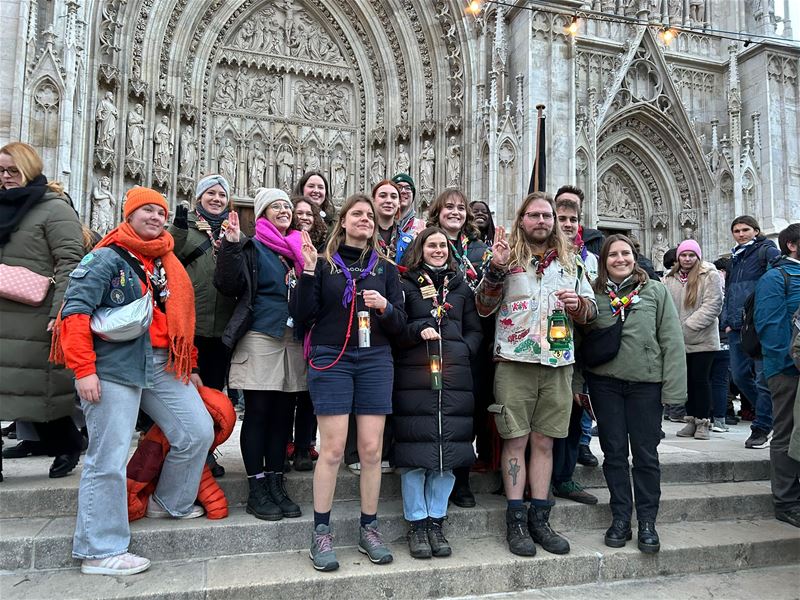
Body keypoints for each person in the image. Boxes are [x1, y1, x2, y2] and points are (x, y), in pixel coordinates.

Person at [53, 187, 214, 576]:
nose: (156, 217)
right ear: (129, 214)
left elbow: (179, 323)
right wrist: (84, 370)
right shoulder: (106, 257)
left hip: (162, 362)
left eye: (160, 212)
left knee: (197, 431)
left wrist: (188, 363)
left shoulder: (166, 260)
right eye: (146, 211)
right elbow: (74, 313)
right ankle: (99, 549)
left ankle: (169, 502)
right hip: (114, 365)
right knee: (107, 457)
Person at [476, 191, 596, 557]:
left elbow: (592, 311)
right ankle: (515, 519)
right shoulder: (505, 258)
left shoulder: (572, 262)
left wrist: (579, 307)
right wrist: (495, 270)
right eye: (534, 216)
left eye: (547, 216)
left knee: (545, 442)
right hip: (514, 362)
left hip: (557, 363)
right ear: (521, 220)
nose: (542, 222)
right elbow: (483, 306)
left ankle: (540, 518)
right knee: (515, 441)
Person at [291, 194, 406, 572]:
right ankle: (321, 532)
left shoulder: (385, 268)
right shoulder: (323, 264)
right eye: (357, 214)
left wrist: (385, 308)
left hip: (374, 359)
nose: (365, 220)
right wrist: (307, 272)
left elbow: (401, 324)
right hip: (332, 358)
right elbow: (302, 316)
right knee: (334, 450)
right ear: (342, 222)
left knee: (372, 451)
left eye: (370, 216)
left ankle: (368, 528)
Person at [580, 234, 686, 554]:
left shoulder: (655, 291)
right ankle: (621, 517)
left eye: (626, 253)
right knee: (613, 454)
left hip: (645, 385)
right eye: (613, 255)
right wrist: (576, 386)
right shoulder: (593, 293)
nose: (620, 259)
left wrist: (674, 390)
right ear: (604, 261)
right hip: (605, 385)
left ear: (634, 257)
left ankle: (648, 522)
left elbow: (671, 339)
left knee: (645, 455)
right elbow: (580, 344)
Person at [214, 188, 306, 521]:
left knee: (284, 414)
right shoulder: (252, 246)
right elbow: (226, 284)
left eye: (287, 206)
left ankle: (276, 481)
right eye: (276, 206)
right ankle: (257, 488)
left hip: (292, 337)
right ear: (263, 213)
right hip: (260, 335)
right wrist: (231, 245)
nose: (284, 210)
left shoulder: (297, 247)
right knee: (259, 411)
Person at [393, 227, 482, 559]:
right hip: (416, 376)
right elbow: (398, 327)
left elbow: (474, 329)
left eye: (443, 245)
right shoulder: (407, 284)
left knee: (447, 455)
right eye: (431, 244)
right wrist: (419, 329)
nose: (438, 250)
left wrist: (463, 350)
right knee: (417, 455)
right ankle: (417, 524)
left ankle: (436, 523)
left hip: (455, 377)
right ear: (421, 248)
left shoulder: (460, 287)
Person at [0, 142, 85, 480]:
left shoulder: (53, 207)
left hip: (34, 315)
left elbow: (71, 262)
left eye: (12, 171)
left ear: (29, 170)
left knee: (36, 390)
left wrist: (61, 310)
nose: (5, 177)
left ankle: (67, 443)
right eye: (1, 171)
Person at [169, 174, 236, 476]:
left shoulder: (232, 231)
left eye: (222, 195)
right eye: (210, 193)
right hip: (190, 324)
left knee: (212, 391)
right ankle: (179, 449)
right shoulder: (189, 229)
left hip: (221, 327)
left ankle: (206, 451)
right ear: (199, 198)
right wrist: (179, 228)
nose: (217, 199)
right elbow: (167, 253)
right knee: (185, 392)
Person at [427, 188, 491, 507]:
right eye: (448, 207)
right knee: (440, 411)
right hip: (435, 342)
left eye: (460, 207)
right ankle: (439, 475)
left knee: (470, 413)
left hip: (471, 343)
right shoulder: (429, 245)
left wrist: (470, 345)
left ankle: (462, 479)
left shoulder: (480, 249)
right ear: (437, 212)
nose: (455, 212)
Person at [550, 191, 599, 506]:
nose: (567, 224)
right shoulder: (535, 250)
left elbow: (593, 305)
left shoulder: (586, 259)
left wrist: (581, 306)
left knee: (570, 414)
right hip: (538, 350)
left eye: (573, 219)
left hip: (576, 348)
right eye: (562, 218)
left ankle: (564, 477)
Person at [721, 216, 780, 449]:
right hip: (736, 325)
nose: (741, 234)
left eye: (745, 229)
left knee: (762, 378)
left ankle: (763, 426)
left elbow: (774, 282)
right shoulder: (734, 257)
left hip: (758, 324)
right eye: (736, 230)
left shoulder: (767, 251)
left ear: (756, 230)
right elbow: (730, 291)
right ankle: (773, 415)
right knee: (738, 376)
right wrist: (726, 320)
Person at [754, 223, 800, 527]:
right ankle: (785, 501)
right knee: (785, 430)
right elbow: (769, 327)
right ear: (792, 245)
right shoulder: (775, 277)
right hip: (787, 370)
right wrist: (791, 363)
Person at [663, 239, 723, 441]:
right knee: (685, 382)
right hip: (678, 340)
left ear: (698, 257)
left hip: (702, 339)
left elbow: (713, 305)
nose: (687, 259)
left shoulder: (709, 275)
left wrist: (687, 327)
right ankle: (690, 420)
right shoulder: (669, 278)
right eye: (683, 255)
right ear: (678, 257)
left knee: (700, 381)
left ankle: (703, 422)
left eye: (691, 255)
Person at [285, 197, 328, 471]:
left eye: (309, 213)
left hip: (316, 324)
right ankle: (284, 443)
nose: (304, 217)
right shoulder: (282, 243)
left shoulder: (325, 247)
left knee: (309, 393)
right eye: (298, 212)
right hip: (289, 323)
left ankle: (304, 444)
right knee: (289, 391)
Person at [710, 257, 732, 432]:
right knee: (719, 381)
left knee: (707, 380)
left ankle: (706, 417)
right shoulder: (730, 291)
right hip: (723, 341)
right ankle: (719, 419)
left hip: (709, 341)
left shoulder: (707, 288)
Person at [554, 185, 604, 256]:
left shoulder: (597, 240)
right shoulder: (543, 242)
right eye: (562, 203)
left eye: (573, 205)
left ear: (580, 211)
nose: (568, 206)